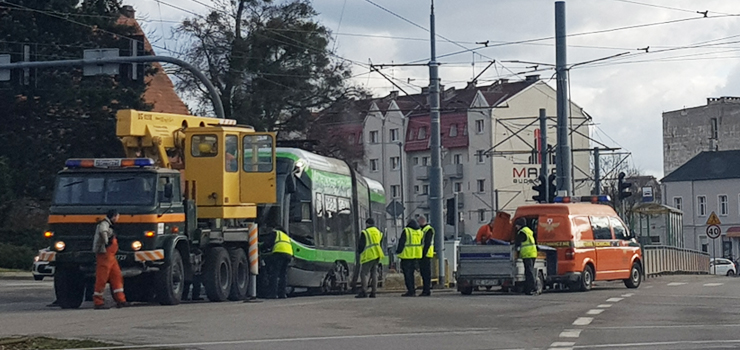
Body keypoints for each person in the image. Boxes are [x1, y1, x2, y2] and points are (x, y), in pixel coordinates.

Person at [92, 209, 128, 309]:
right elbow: (103, 231)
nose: (118, 219)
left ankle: (121, 300)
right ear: (113, 216)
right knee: (102, 278)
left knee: (117, 276)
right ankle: (98, 301)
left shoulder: (109, 224)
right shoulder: (104, 223)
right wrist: (106, 241)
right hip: (104, 254)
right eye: (117, 216)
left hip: (111, 256)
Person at [259, 226, 293, 299]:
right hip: (288, 254)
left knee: (274, 274)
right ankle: (282, 294)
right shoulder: (286, 236)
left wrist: (260, 247)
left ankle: (273, 294)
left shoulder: (275, 233)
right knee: (283, 275)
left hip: (279, 253)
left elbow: (268, 243)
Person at [356, 218, 385, 298]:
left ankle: (364, 291)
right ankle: (374, 292)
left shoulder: (365, 232)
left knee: (364, 273)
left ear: (367, 224)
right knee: (374, 273)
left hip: (368, 255)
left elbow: (361, 245)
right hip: (377, 254)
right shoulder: (378, 232)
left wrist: (359, 252)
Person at [396, 219, 422, 297]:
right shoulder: (419, 232)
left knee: (407, 275)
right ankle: (413, 290)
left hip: (406, 255)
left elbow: (402, 242)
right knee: (412, 274)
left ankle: (410, 290)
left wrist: (398, 251)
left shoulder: (406, 231)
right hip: (416, 255)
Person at [514, 217, 538, 295]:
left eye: (517, 225)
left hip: (527, 254)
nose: (516, 227)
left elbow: (518, 242)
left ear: (520, 225)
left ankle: (532, 288)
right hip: (533, 253)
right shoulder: (529, 231)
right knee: (530, 271)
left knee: (529, 272)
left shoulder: (522, 232)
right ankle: (530, 289)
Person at [417, 216, 434, 297]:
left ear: (421, 221)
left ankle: (426, 290)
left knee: (426, 274)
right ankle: (426, 289)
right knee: (424, 274)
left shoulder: (428, 229)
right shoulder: (423, 229)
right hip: (423, 254)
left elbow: (427, 243)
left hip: (426, 254)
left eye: (419, 221)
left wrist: (423, 253)